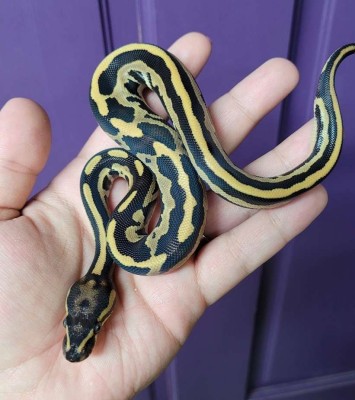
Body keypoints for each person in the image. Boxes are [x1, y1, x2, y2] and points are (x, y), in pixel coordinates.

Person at [0, 32, 327, 398]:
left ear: (73, 305)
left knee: (215, 173)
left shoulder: (120, 236)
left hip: (128, 79)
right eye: (94, 326)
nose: (80, 337)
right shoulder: (121, 237)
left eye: (75, 324)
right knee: (214, 174)